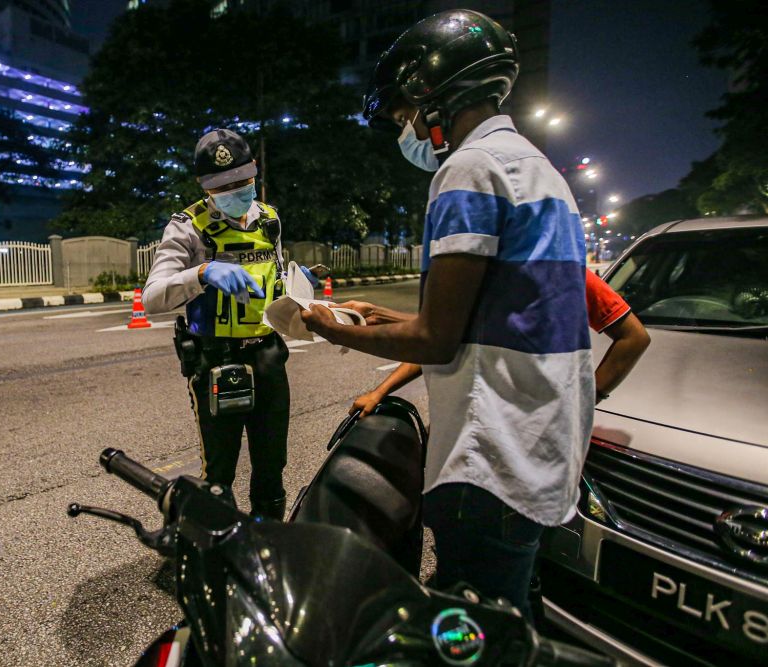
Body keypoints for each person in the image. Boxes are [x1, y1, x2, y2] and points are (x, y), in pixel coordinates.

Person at [300, 9, 593, 620]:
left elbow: (437, 338)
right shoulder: (539, 169)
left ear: (429, 95)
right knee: (515, 619)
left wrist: (332, 329)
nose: (405, 129)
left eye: (404, 115)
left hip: (491, 459)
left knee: (475, 632)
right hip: (541, 445)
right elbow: (491, 313)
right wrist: (379, 316)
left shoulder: (469, 169)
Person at [143, 128, 310, 521]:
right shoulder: (188, 228)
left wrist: (300, 293)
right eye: (224, 184)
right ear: (206, 186)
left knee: (272, 464)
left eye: (244, 180)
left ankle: (268, 543)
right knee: (220, 471)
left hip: (267, 355)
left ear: (255, 173)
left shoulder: (269, 219)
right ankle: (221, 550)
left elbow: (277, 276)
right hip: (216, 360)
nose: (237, 190)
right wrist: (201, 273)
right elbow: (152, 299)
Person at [349, 270, 651, 416]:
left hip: (529, 440)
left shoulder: (569, 275)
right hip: (471, 428)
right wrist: (379, 391)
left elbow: (634, 337)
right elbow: (442, 340)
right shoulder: (484, 277)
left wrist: (587, 399)